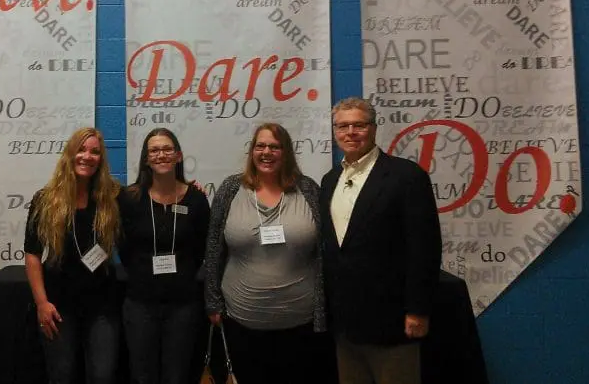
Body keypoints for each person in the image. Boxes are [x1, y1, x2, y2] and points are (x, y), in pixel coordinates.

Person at [319, 97, 442, 384]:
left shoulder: (406, 176)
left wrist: (418, 309)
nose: (350, 132)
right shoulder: (329, 180)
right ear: (335, 131)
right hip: (345, 323)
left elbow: (424, 247)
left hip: (394, 322)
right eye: (343, 126)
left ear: (374, 128)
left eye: (359, 125)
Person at [203, 122, 330, 384]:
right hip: (242, 320)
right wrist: (212, 301)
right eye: (260, 146)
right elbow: (214, 247)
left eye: (274, 146)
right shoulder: (230, 190)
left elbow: (323, 251)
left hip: (300, 321)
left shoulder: (308, 189)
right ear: (252, 152)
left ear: (285, 153)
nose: (266, 152)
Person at [23, 127, 121, 384]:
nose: (87, 156)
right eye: (81, 149)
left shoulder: (112, 197)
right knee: (62, 376)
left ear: (100, 159)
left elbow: (151, 193)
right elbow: (32, 255)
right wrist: (42, 304)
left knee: (102, 376)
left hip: (102, 306)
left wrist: (185, 184)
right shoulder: (44, 200)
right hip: (58, 305)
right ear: (70, 154)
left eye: (94, 152)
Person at [118, 128, 210, 384]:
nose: (161, 155)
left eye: (167, 149)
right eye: (154, 150)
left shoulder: (196, 199)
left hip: (183, 305)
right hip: (140, 304)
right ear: (146, 159)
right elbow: (122, 246)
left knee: (177, 376)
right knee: (142, 375)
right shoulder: (129, 198)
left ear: (178, 155)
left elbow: (203, 247)